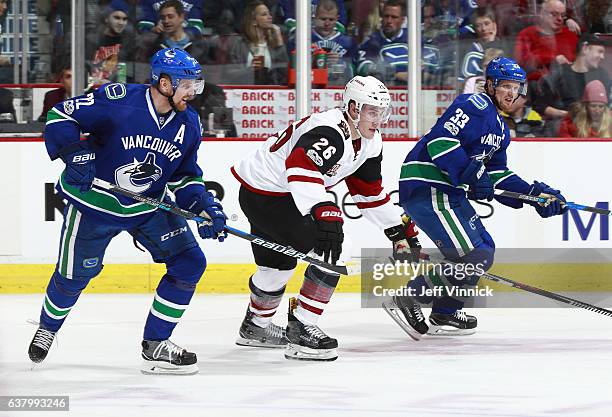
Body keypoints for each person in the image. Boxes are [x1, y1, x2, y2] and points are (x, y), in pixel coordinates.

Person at [28, 48, 227, 375]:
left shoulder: (189, 123)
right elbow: (61, 116)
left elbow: (185, 176)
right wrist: (76, 154)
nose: (193, 92)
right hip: (94, 202)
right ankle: (48, 327)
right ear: (164, 83)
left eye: (196, 85)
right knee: (73, 277)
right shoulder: (118, 99)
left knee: (190, 262)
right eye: (187, 85)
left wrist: (204, 206)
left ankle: (156, 344)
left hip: (149, 205)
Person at [230, 75, 418, 361]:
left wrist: (397, 229)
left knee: (276, 266)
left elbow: (369, 193)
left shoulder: (370, 141)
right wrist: (322, 208)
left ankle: (255, 327)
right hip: (270, 194)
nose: (377, 119)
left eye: (381, 111)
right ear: (353, 108)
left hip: (269, 192)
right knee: (336, 249)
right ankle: (303, 327)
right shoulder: (331, 130)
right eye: (371, 110)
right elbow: (300, 164)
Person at [385, 57, 567, 340]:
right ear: (491, 85)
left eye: (516, 87)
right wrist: (470, 173)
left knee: (484, 249)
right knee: (474, 255)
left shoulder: (501, 129)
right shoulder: (474, 105)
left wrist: (534, 195)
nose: (511, 93)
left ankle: (445, 311)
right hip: (428, 186)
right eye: (505, 85)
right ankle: (409, 297)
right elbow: (440, 140)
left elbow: (497, 175)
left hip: (448, 192)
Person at [534, 32, 610, 135]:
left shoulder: (603, 76)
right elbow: (540, 105)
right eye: (600, 52)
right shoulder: (559, 75)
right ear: (585, 49)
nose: (602, 57)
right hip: (562, 133)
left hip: (595, 134)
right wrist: (567, 115)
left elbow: (608, 108)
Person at [210, 0, 287, 85]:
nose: (270, 17)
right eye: (264, 14)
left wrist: (279, 41)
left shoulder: (273, 45)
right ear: (254, 21)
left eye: (269, 14)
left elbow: (283, 74)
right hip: (243, 92)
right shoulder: (238, 43)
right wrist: (250, 70)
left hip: (270, 92)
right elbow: (230, 74)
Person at [287, 0, 355, 86]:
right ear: (315, 17)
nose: (327, 23)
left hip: (337, 89)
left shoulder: (347, 42)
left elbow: (354, 71)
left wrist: (341, 62)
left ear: (337, 19)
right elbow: (290, 68)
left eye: (331, 19)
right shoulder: (302, 39)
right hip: (307, 88)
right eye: (323, 19)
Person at [514, 0, 579, 83]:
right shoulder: (527, 34)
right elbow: (521, 61)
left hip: (569, 84)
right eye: (554, 14)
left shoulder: (571, 35)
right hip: (536, 85)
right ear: (542, 14)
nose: (559, 18)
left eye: (562, 15)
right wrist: (552, 60)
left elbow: (579, 62)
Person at [136, 0, 209, 65]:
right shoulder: (152, 45)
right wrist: (153, 30)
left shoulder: (200, 46)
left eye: (170, 17)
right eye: (163, 18)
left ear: (182, 17)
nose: (166, 21)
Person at [355, 0, 408, 86]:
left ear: (402, 20)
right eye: (386, 16)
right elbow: (362, 67)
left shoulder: (413, 38)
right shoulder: (372, 41)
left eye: (394, 17)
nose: (389, 21)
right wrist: (394, 75)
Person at [86, 0, 136, 84]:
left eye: (124, 19)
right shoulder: (91, 40)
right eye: (117, 18)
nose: (121, 23)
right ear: (106, 19)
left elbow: (129, 74)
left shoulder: (129, 42)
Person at [137, 0, 204, 38]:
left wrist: (180, 33)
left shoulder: (195, 1)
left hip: (187, 37)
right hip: (158, 37)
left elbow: (197, 27)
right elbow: (143, 26)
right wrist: (153, 29)